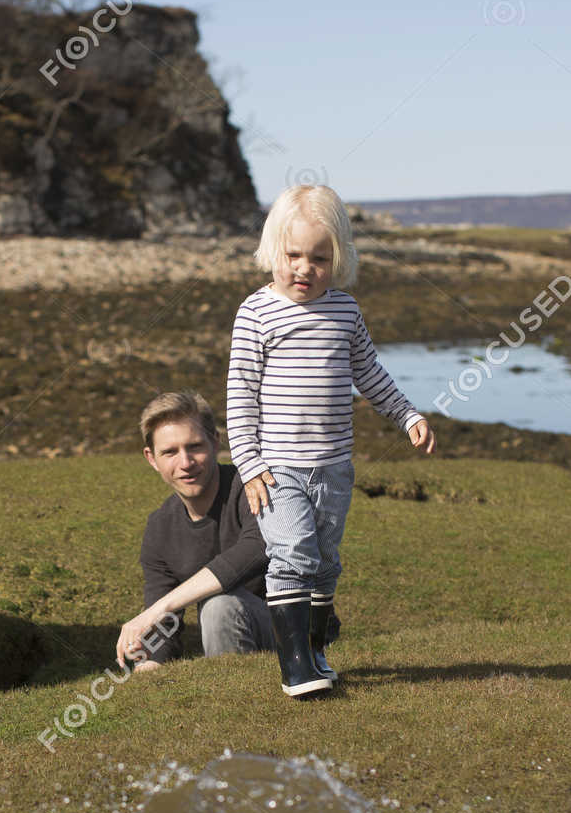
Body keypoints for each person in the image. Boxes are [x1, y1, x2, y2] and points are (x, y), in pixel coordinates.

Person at [226, 184, 436, 697]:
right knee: (293, 553)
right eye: (293, 255)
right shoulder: (257, 313)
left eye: (319, 258)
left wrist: (406, 414)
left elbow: (370, 372)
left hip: (335, 467)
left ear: (338, 257)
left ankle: (316, 651)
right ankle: (294, 664)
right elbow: (240, 395)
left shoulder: (344, 312)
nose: (304, 268)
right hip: (279, 469)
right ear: (272, 250)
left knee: (324, 562)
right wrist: (249, 465)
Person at [115, 391, 273, 670]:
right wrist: (149, 664)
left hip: (293, 632)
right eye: (170, 452)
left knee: (219, 606)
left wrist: (160, 608)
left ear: (215, 442)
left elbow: (257, 548)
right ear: (151, 459)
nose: (185, 463)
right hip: (230, 645)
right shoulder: (159, 527)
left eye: (195, 446)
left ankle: (237, 702)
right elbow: (164, 627)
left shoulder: (251, 485)